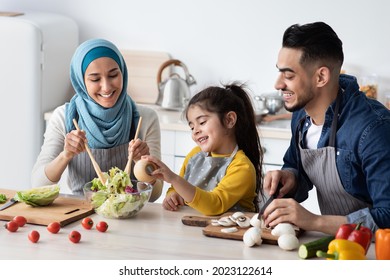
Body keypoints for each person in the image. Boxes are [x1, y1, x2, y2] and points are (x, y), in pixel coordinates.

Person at [263, 21, 390, 235]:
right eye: (279, 73)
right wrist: (290, 178)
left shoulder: (373, 129)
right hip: (337, 246)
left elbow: (387, 217)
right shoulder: (301, 116)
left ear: (321, 77)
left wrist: (314, 222)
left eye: (289, 75)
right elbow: (295, 165)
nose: (277, 84)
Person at [31, 38, 163, 201]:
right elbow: (38, 184)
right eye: (95, 79)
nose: (106, 87)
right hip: (80, 217)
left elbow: (154, 195)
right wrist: (65, 155)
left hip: (130, 215)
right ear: (81, 81)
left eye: (113, 75)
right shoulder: (64, 117)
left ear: (123, 72)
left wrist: (142, 163)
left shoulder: (146, 118)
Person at [143, 83, 264, 215]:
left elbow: (215, 204)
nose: (195, 131)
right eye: (192, 127)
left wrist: (173, 178)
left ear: (229, 120)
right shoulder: (195, 155)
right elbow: (177, 188)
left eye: (202, 122)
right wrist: (172, 195)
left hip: (228, 234)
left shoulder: (242, 167)